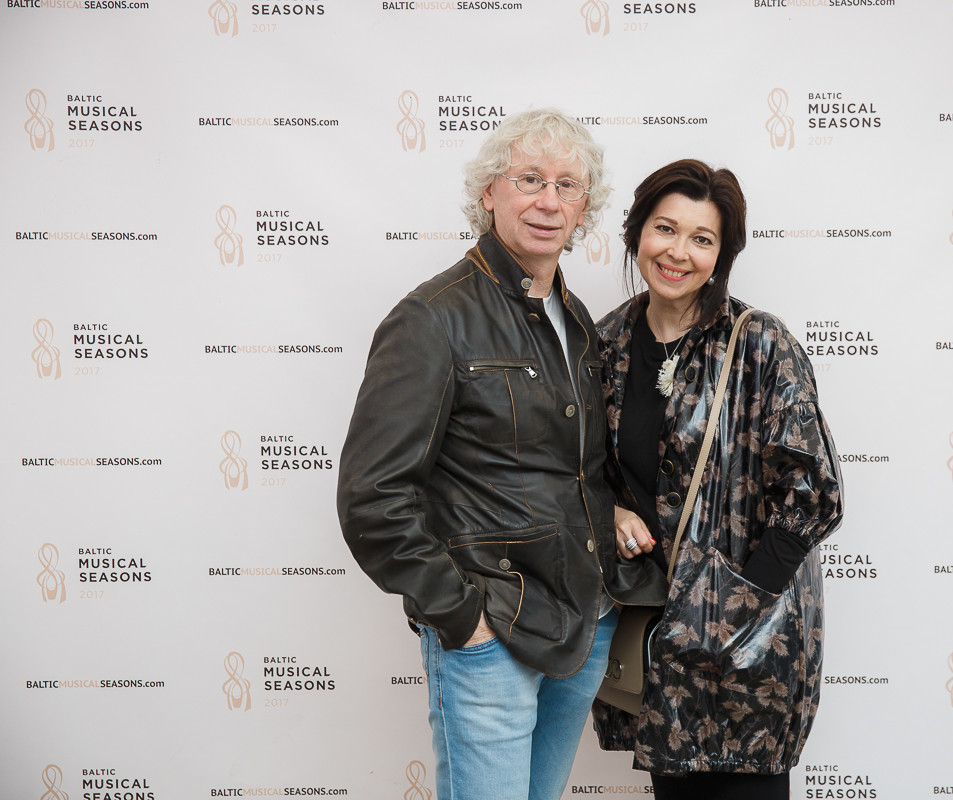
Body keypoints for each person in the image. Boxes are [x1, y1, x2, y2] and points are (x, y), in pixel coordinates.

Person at [336, 109, 662, 800]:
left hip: (584, 624)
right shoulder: (432, 317)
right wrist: (463, 619)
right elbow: (373, 497)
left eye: (567, 185)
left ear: (584, 209)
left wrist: (612, 513)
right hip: (494, 634)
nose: (549, 201)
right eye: (529, 179)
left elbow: (566, 464)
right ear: (489, 192)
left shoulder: (575, 320)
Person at [591, 159, 844, 800]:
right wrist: (610, 513)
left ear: (721, 256)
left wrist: (737, 608)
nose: (678, 252)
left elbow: (814, 493)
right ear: (636, 233)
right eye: (665, 229)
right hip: (660, 644)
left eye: (701, 238)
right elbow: (582, 470)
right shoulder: (606, 344)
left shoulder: (759, 343)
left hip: (750, 649)